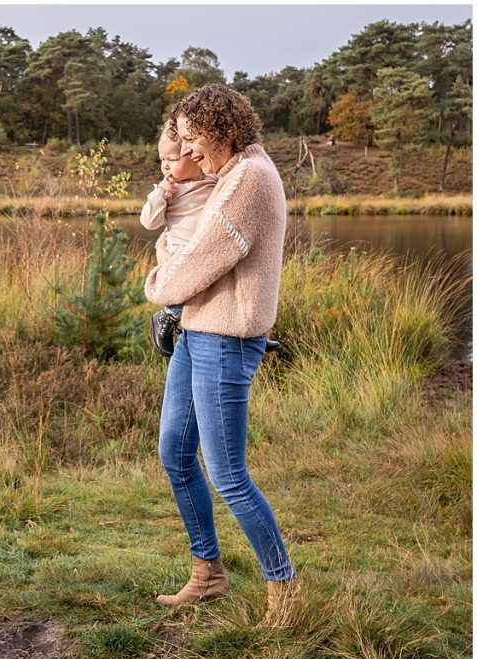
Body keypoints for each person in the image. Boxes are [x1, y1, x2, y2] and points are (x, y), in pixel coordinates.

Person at [144, 84, 298, 628]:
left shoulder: (248, 180)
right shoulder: (231, 173)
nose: (186, 152)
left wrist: (158, 283)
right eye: (180, 141)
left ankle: (284, 587)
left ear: (220, 130)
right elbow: (188, 243)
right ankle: (208, 572)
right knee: (174, 452)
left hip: (227, 338)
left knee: (228, 473)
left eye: (192, 139)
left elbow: (195, 263)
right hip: (198, 329)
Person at [141, 128, 281, 358]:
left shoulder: (214, 180)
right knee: (192, 279)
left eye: (172, 159)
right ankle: (168, 315)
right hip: (182, 251)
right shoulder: (169, 190)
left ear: (195, 158)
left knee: (238, 279)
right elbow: (149, 221)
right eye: (162, 160)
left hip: (207, 243)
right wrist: (161, 195)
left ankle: (254, 333)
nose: (165, 165)